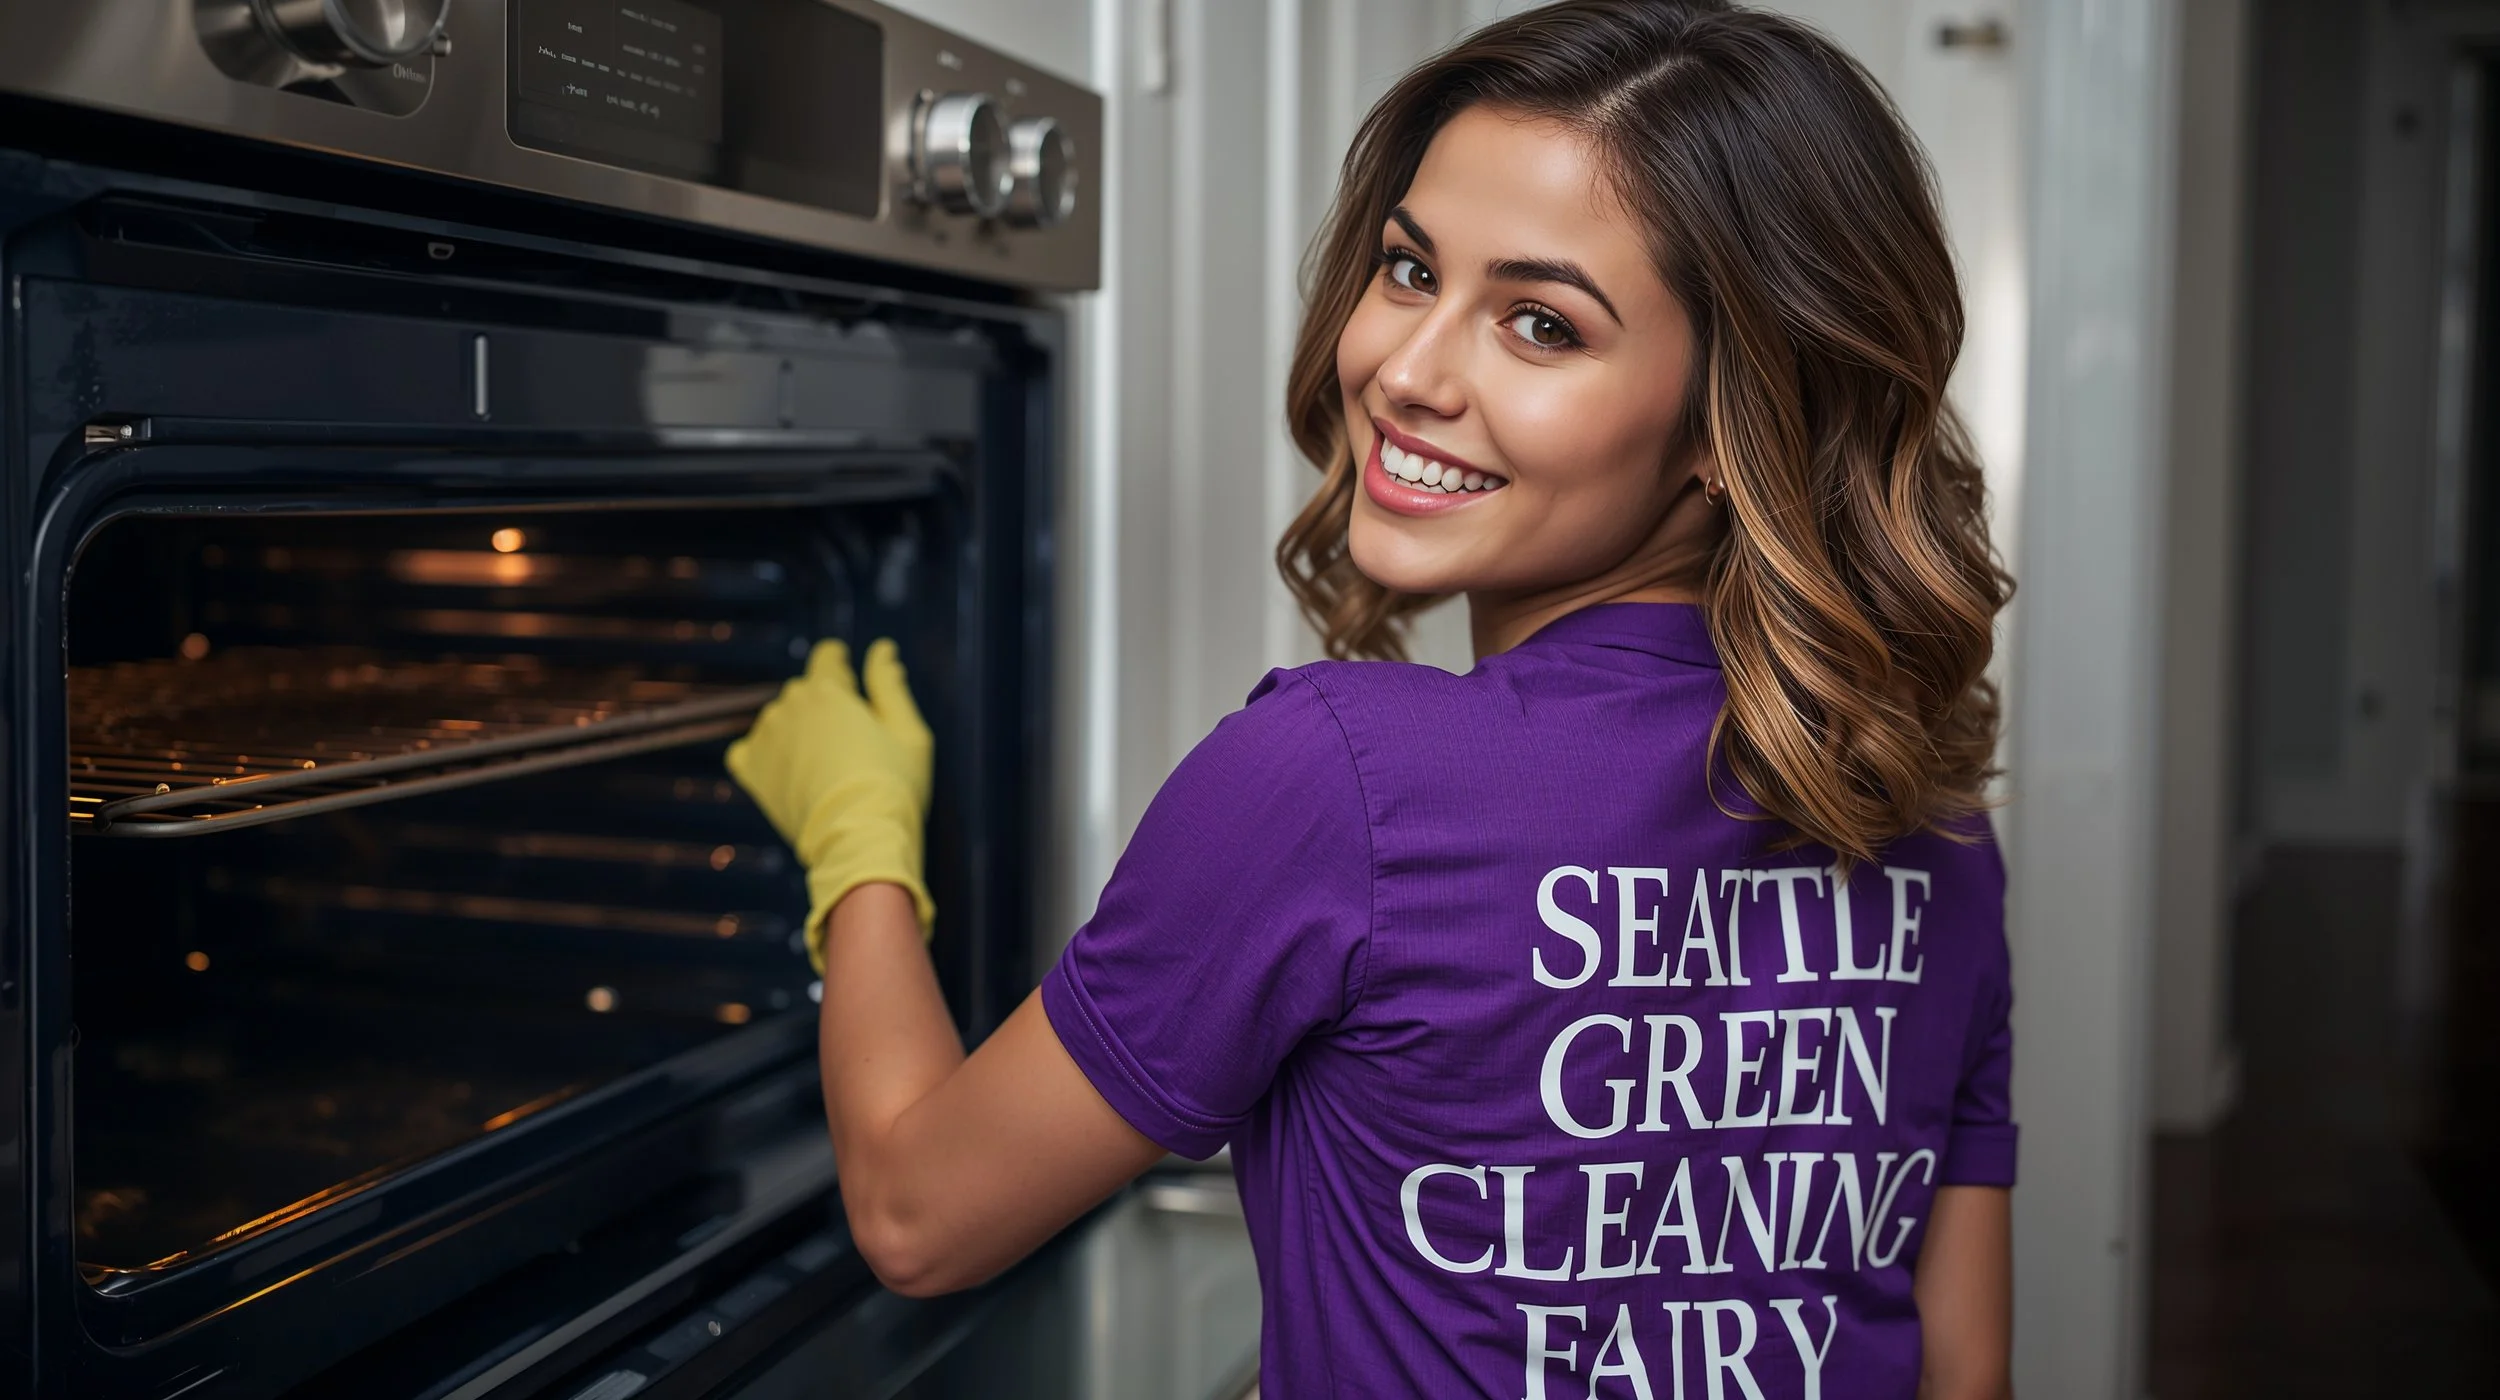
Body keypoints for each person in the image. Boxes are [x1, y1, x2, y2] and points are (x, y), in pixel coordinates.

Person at [725, 2, 2016, 1394]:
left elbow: (922, 1218)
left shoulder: (1337, 777)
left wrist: (858, 845)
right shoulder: (1933, 827)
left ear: (1732, 421)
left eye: (1539, 325)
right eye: (1409, 269)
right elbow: (1964, 1373)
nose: (1404, 371)